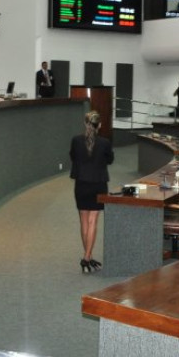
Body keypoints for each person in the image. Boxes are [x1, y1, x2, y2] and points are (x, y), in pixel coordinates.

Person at [69, 111, 113, 273]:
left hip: (81, 184)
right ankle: (87, 257)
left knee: (83, 220)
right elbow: (110, 160)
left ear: (85, 123)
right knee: (93, 221)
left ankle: (88, 255)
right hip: (98, 184)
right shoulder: (105, 142)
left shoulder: (76, 140)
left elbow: (73, 157)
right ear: (99, 125)